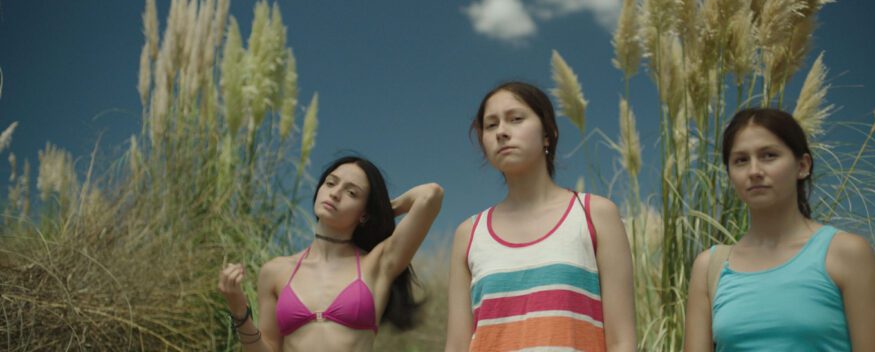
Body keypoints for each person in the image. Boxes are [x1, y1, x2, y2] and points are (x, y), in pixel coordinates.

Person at [445, 81, 637, 352]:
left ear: (548, 134)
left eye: (516, 119)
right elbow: (456, 345)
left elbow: (622, 341)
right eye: (491, 125)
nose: (501, 131)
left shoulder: (595, 215)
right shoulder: (469, 233)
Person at [683, 108, 875, 351]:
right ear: (730, 175)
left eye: (769, 155)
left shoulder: (846, 253)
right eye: (741, 160)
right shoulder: (710, 267)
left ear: (803, 165)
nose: (754, 171)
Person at [218, 156, 443, 351]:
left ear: (364, 213)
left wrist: (381, 210)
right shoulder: (275, 271)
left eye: (351, 193)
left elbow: (431, 195)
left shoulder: (377, 265)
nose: (335, 194)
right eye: (330, 183)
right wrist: (239, 310)